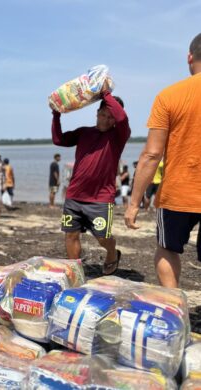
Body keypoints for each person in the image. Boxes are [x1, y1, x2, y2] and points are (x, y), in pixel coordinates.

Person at [125, 33, 201, 288]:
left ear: (190, 57)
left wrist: (134, 203)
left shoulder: (169, 96)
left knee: (168, 249)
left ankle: (174, 308)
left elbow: (151, 154)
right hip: (180, 192)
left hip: (178, 191)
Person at [52, 85, 131, 275]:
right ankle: (75, 272)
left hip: (100, 199)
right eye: (103, 114)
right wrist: (56, 116)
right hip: (74, 196)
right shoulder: (84, 132)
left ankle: (112, 253)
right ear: (97, 113)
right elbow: (58, 140)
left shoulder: (119, 135)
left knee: (102, 237)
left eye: (110, 117)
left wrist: (106, 93)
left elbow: (122, 118)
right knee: (71, 235)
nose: (106, 119)